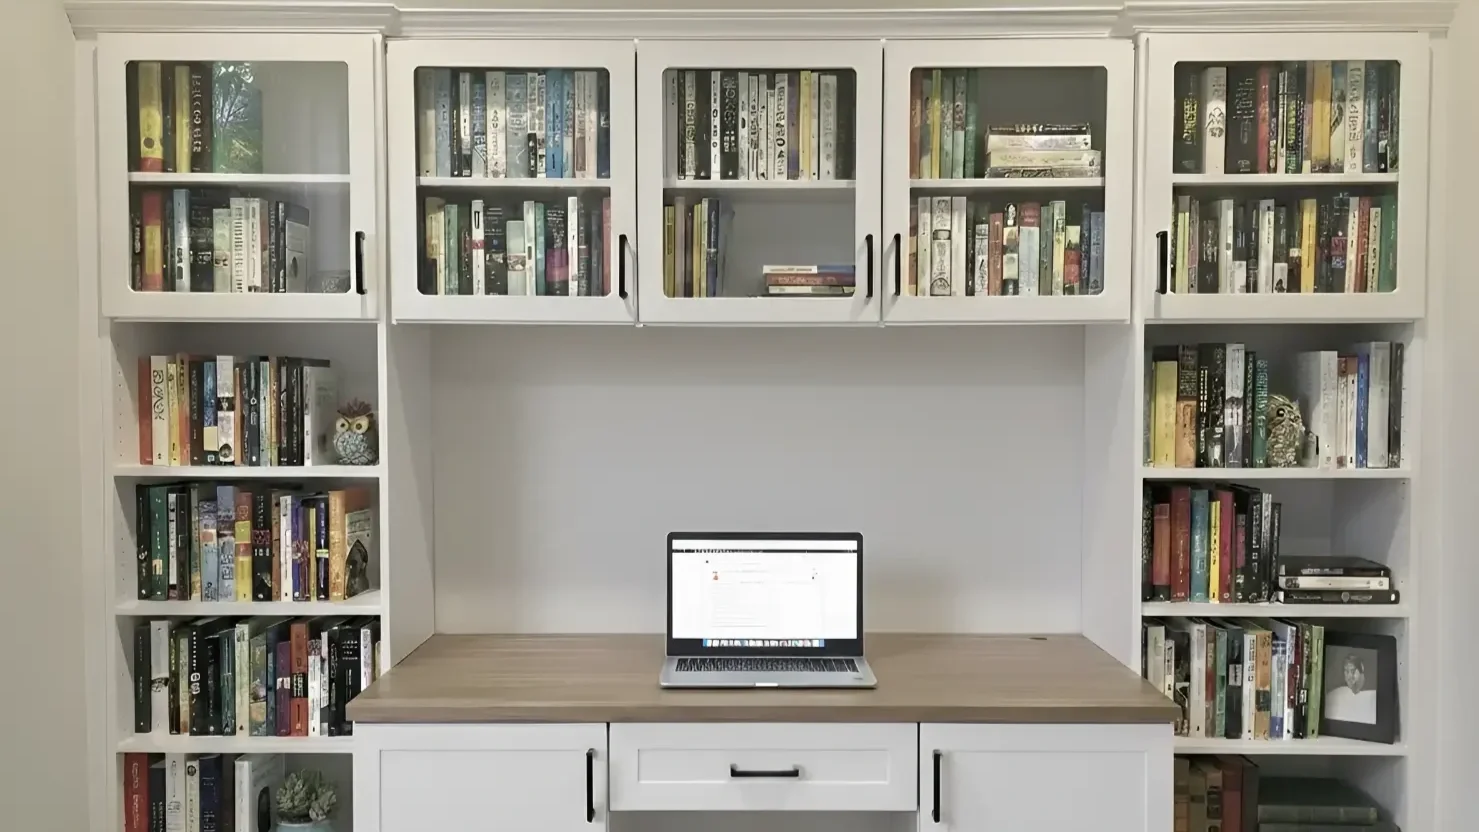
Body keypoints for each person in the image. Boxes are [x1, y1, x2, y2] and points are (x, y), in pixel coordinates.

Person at [1325, 652, 1377, 724]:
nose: (1349, 676)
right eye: (1346, 671)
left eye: (1353, 671)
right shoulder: (1341, 693)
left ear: (1362, 668)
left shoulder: (1373, 692)